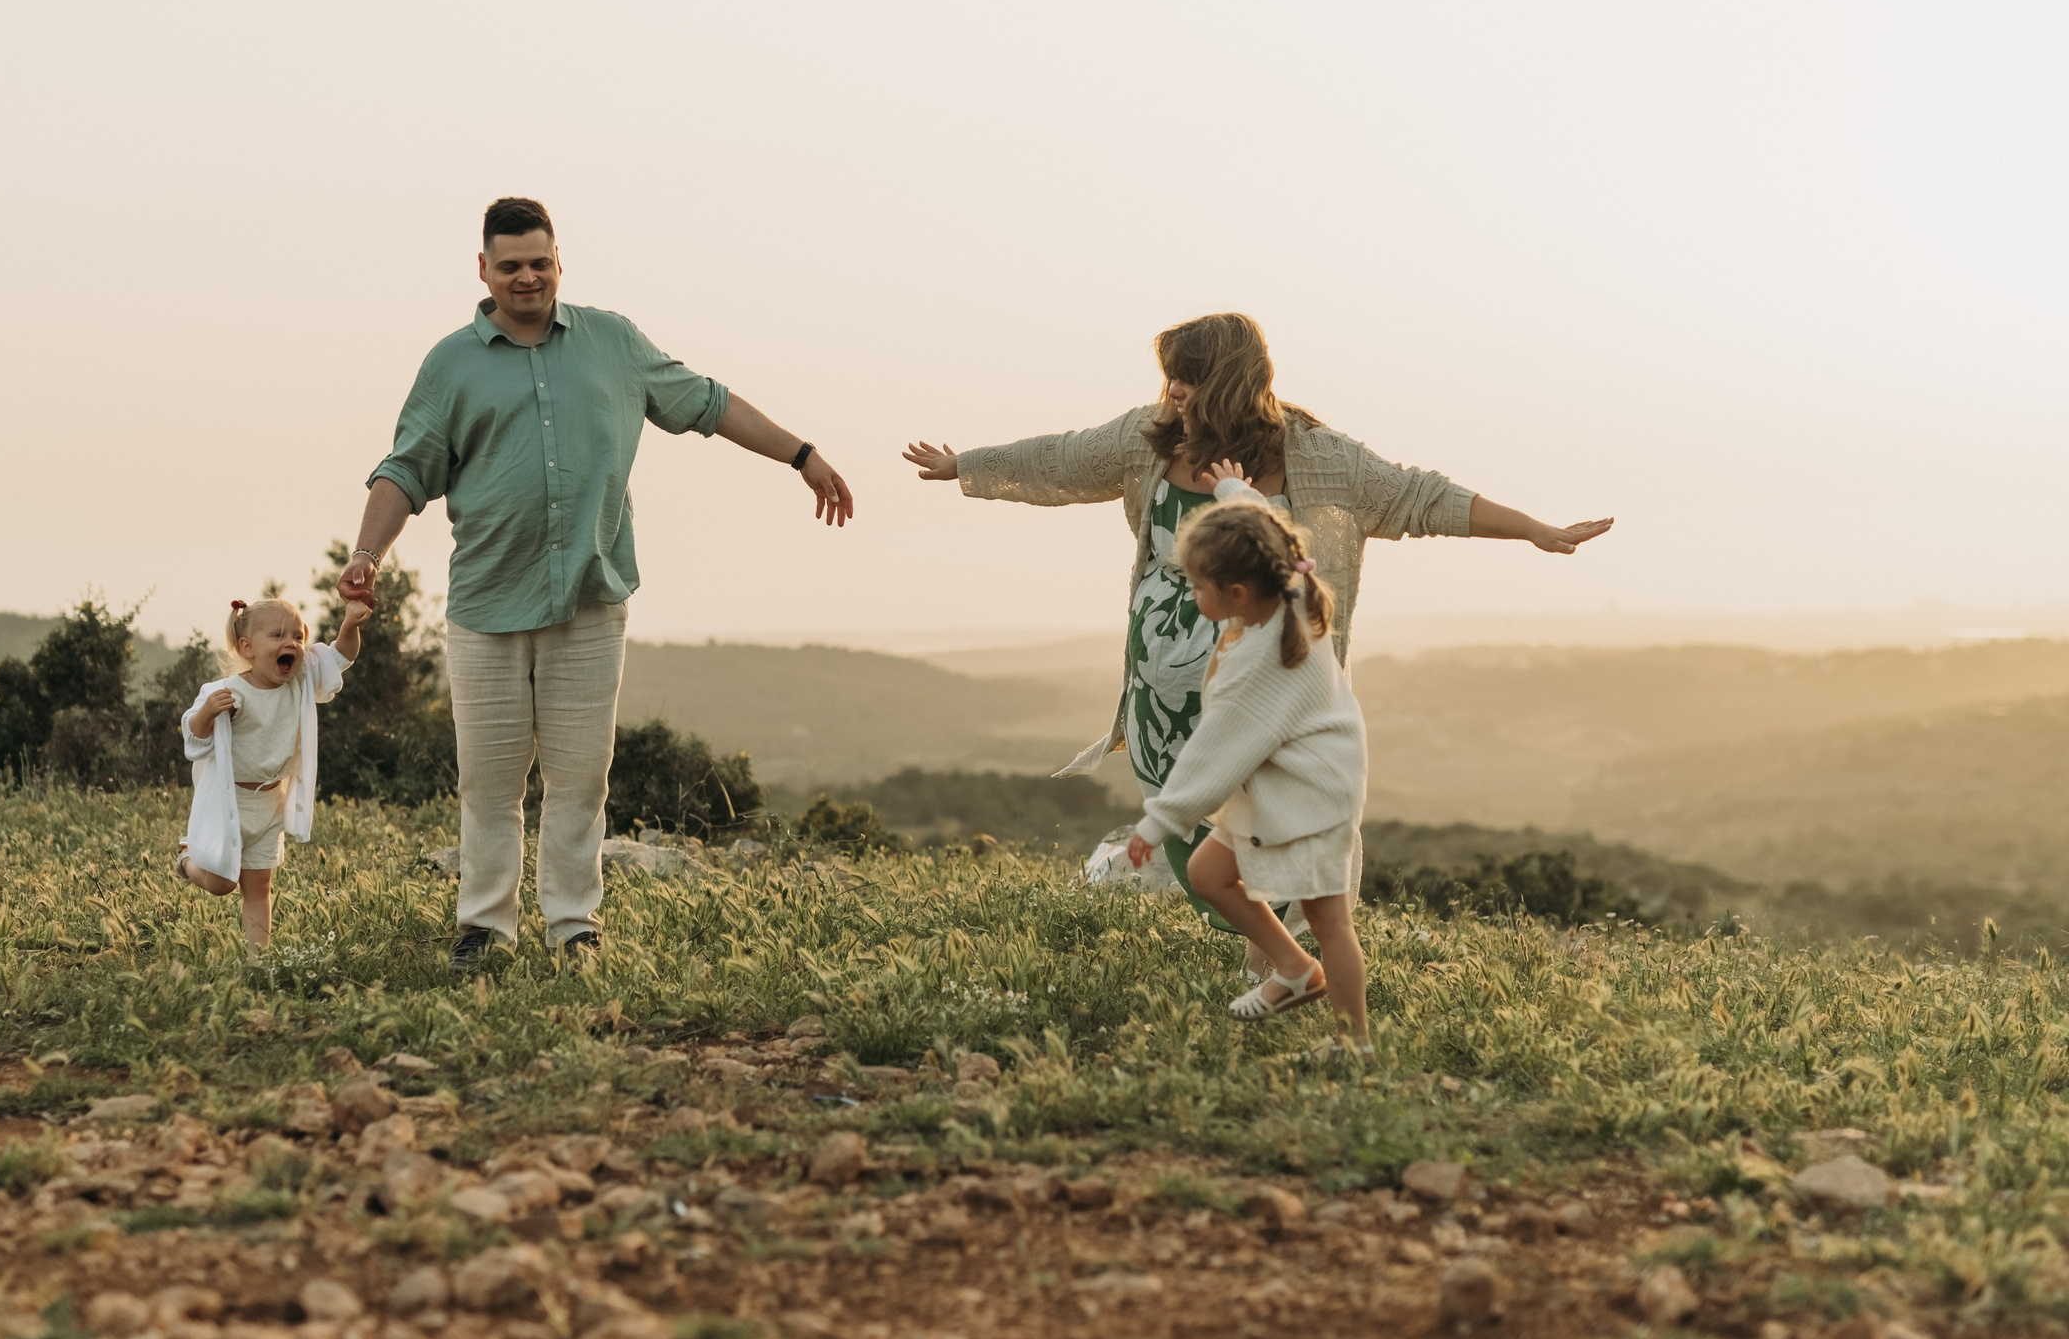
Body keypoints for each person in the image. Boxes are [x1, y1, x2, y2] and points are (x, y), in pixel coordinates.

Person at [905, 311, 1611, 952]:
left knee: (1277, 807)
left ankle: (1292, 940)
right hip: (1158, 680)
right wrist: (966, 465)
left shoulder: (1319, 458)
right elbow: (1061, 459)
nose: (1173, 390)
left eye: (1187, 376)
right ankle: (1257, 936)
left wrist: (1533, 529)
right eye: (1169, 375)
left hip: (1262, 679)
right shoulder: (1146, 439)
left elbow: (1420, 495)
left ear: (1228, 380)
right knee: (1182, 805)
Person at [340, 197, 854, 973]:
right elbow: (407, 469)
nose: (526, 277)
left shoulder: (614, 343)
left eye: (539, 262)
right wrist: (366, 554)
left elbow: (708, 403)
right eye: (510, 265)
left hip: (589, 602)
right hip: (486, 608)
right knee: (490, 785)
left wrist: (802, 455)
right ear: (483, 270)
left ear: (559, 263)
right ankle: (485, 928)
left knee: (581, 781)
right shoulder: (450, 364)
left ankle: (573, 927)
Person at [1119, 484, 1372, 1047]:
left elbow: (1211, 757)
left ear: (1235, 592)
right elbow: (1267, 524)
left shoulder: (1258, 664)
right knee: (1209, 874)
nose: (1191, 593)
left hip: (1312, 797)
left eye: (1196, 586)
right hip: (1288, 785)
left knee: (1331, 924)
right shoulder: (1289, 587)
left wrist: (1157, 823)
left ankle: (1353, 1044)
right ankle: (1296, 968)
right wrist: (1232, 490)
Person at [177, 596, 368, 949]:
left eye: (298, 636)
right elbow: (194, 739)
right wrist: (206, 714)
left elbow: (341, 657)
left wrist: (350, 625)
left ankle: (258, 958)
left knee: (259, 886)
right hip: (230, 803)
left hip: (271, 802)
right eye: (278, 635)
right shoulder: (227, 692)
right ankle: (187, 858)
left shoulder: (301, 679)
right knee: (222, 885)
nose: (290, 643)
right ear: (247, 648)